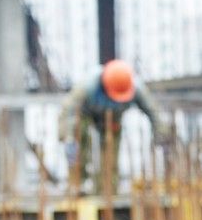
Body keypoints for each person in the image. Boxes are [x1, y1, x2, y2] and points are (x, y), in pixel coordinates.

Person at [58, 59, 169, 192]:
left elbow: (154, 111)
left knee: (110, 153)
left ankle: (107, 189)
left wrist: (162, 133)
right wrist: (69, 138)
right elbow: (68, 111)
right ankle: (78, 184)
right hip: (85, 114)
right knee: (78, 136)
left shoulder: (135, 88)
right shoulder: (87, 86)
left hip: (112, 119)